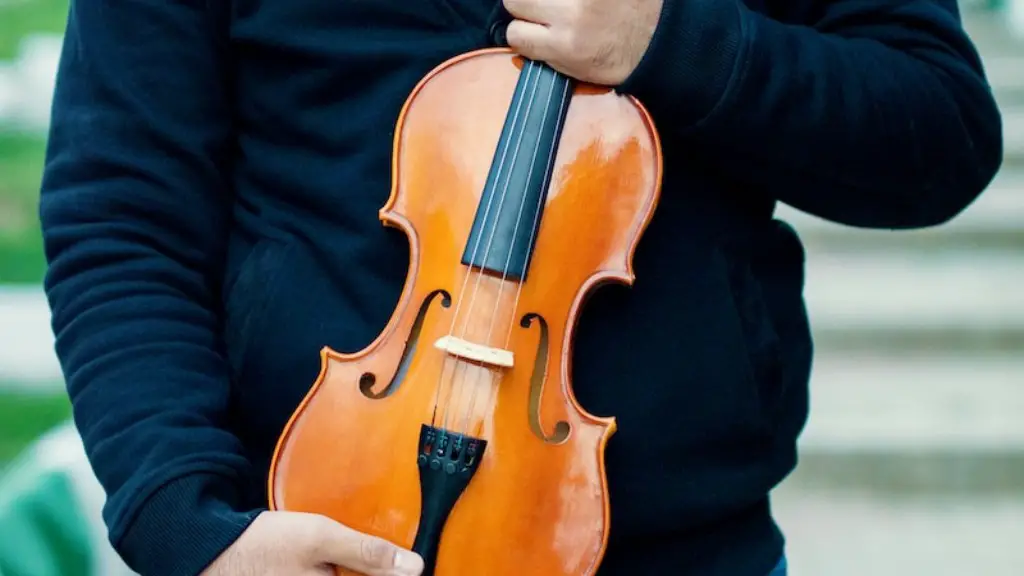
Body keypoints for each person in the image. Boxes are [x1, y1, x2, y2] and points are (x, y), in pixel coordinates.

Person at [38, 0, 1001, 574]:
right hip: (307, 539)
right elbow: (123, 207)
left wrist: (678, 43)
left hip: (686, 551)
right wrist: (185, 527)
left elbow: (938, 127)